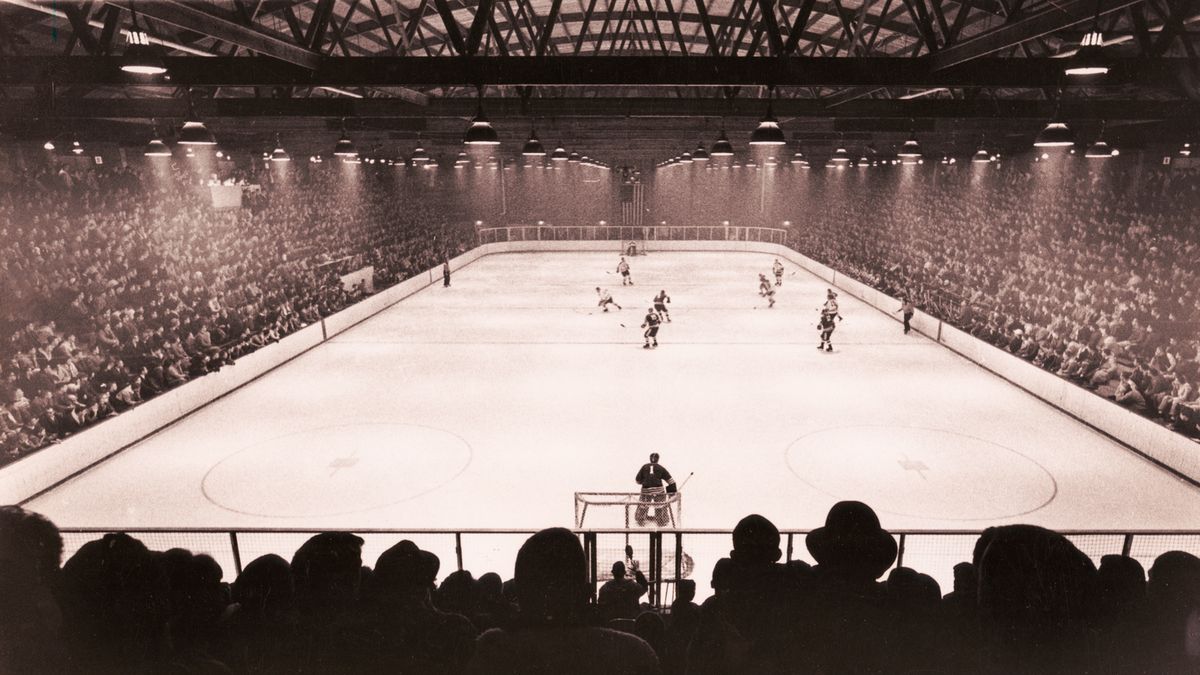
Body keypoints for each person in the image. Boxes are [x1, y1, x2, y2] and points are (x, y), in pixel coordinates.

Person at [635, 453, 676, 526]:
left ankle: (640, 520)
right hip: (658, 490)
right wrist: (672, 492)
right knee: (660, 505)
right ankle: (662, 520)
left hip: (646, 490)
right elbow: (670, 481)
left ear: (650, 459)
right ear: (658, 459)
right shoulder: (660, 467)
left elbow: (637, 480)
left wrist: (644, 481)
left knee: (643, 505)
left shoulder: (644, 466)